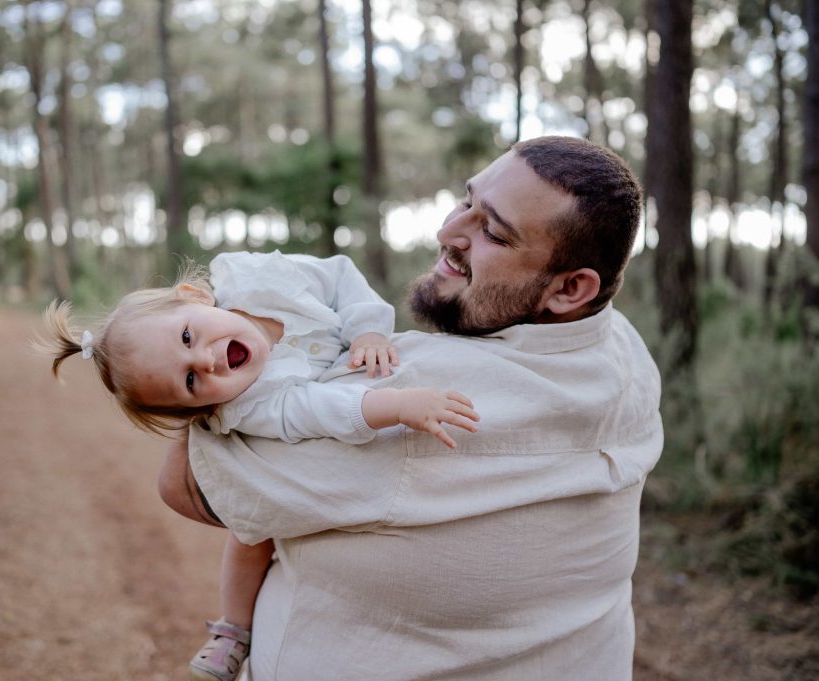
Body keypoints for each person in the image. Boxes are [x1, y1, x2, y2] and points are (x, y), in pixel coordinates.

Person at [158, 135, 664, 681]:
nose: (449, 232)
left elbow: (188, 486)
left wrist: (212, 349)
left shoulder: (408, 396)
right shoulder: (625, 353)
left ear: (570, 289)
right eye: (466, 201)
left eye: (493, 232)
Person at [39, 250, 479, 681]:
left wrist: (367, 332)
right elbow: (320, 409)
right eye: (190, 380)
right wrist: (398, 405)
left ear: (195, 296)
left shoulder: (253, 277)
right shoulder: (253, 404)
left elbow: (338, 275)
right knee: (251, 526)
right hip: (282, 466)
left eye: (187, 337)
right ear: (201, 409)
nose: (205, 361)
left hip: (345, 339)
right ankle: (234, 627)